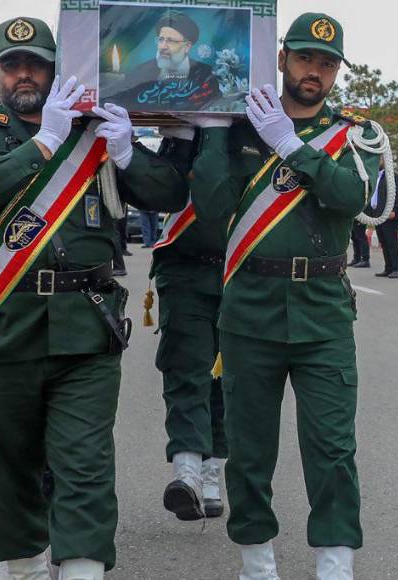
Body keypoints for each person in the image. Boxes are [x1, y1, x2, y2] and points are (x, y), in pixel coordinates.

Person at [0, 16, 189, 579]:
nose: (25, 74)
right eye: (12, 65)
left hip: (86, 323)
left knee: (85, 464)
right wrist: (45, 140)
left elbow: (169, 193)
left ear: (58, 69)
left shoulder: (93, 129)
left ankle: (82, 569)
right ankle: (24, 565)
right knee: (6, 469)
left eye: (37, 64)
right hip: (2, 321)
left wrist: (127, 153)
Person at [182, 12, 378, 578]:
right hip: (250, 309)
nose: (313, 71)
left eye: (325, 63)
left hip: (323, 309)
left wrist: (292, 146)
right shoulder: (240, 129)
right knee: (249, 449)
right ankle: (257, 561)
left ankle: (335, 562)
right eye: (303, 58)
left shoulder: (352, 134)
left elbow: (349, 196)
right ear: (281, 60)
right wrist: (218, 130)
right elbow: (213, 209)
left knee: (333, 448)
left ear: (336, 72)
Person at [145, 128, 230, 523]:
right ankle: (187, 469)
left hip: (240, 271)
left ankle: (213, 467)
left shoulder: (256, 127)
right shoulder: (178, 131)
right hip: (184, 268)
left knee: (226, 378)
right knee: (185, 368)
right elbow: (158, 190)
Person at [108, 10, 219, 111]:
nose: (163, 46)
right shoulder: (139, 73)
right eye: (161, 40)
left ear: (187, 46)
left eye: (171, 41)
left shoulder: (206, 75)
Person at [372, 162, 398, 278]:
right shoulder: (376, 176)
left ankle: (397, 269)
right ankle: (388, 267)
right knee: (384, 242)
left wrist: (394, 210)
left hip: (389, 214)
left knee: (391, 242)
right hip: (378, 214)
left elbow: (397, 194)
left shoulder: (392, 176)